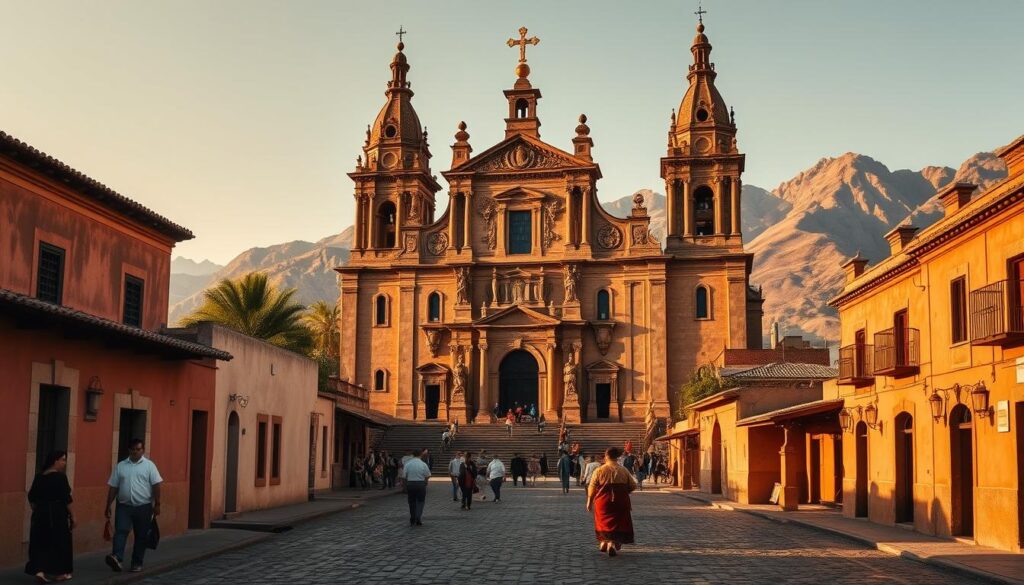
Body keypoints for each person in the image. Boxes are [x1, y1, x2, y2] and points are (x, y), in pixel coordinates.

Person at [105, 438, 162, 574]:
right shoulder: (121, 466)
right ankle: (117, 558)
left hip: (143, 506)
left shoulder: (149, 466)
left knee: (141, 535)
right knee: (121, 531)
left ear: (143, 450)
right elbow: (113, 487)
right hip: (124, 507)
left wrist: (157, 504)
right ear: (129, 450)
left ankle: (137, 562)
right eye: (133, 449)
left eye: (138, 449)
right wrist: (108, 505)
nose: (136, 452)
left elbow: (156, 485)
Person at [26, 450, 74, 583]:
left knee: (40, 542)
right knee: (60, 542)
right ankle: (60, 573)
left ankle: (40, 571)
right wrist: (73, 517)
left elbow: (31, 497)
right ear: (55, 461)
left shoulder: (39, 477)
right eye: (63, 459)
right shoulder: (60, 477)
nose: (64, 463)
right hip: (57, 514)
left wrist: (37, 509)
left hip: (40, 514)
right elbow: (67, 499)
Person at [586, 447, 638, 557]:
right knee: (618, 523)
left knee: (603, 522)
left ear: (606, 457)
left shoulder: (599, 470)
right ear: (617, 457)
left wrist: (589, 501)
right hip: (621, 501)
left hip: (603, 501)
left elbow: (592, 486)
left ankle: (604, 542)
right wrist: (623, 492)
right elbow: (633, 485)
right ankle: (611, 543)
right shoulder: (623, 470)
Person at [403, 449, 431, 526]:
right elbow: (428, 475)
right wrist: (425, 482)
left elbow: (404, 476)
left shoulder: (408, 464)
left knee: (411, 502)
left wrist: (405, 487)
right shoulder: (423, 464)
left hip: (410, 484)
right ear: (420, 455)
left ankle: (412, 517)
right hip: (420, 484)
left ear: (413, 455)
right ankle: (418, 517)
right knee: (420, 502)